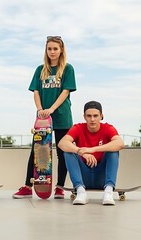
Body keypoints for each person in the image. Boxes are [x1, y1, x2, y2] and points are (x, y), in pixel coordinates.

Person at [13, 36, 77, 199]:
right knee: (37, 151)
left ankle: (60, 187)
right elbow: (35, 91)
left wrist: (52, 109)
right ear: (46, 50)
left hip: (62, 115)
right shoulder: (40, 70)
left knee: (63, 153)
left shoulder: (67, 69)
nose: (52, 52)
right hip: (43, 119)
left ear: (61, 50)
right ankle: (28, 186)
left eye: (55, 48)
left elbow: (65, 92)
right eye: (49, 49)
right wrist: (41, 109)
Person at [58, 101, 124, 205]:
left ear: (101, 116)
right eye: (89, 116)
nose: (92, 119)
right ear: (84, 117)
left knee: (113, 151)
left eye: (95, 116)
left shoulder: (108, 128)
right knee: (68, 152)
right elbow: (62, 143)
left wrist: (92, 149)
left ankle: (108, 192)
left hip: (101, 176)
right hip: (84, 177)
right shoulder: (78, 128)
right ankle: (80, 192)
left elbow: (120, 143)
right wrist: (81, 152)